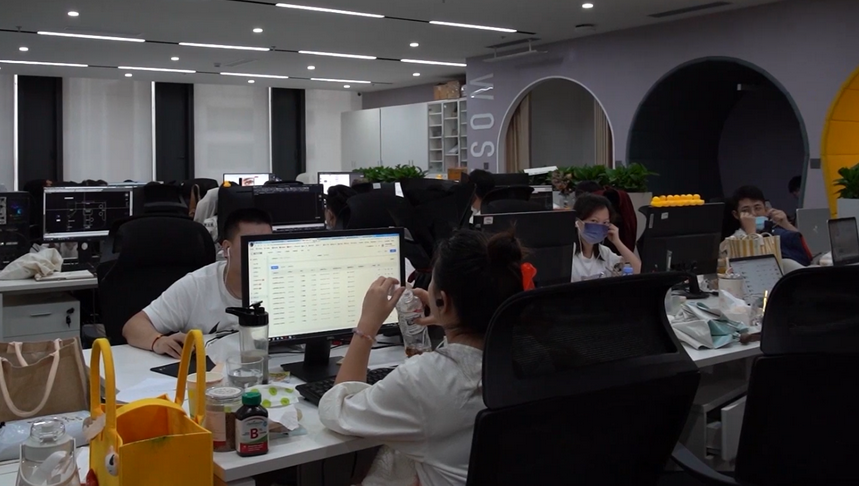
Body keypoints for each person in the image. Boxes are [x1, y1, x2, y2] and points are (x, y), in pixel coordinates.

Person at [319, 230, 529, 486]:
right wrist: (448, 319)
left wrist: (367, 325)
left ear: (443, 300)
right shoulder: (532, 356)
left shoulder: (425, 379)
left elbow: (336, 411)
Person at [122, 208, 273, 358]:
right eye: (253, 245)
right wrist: (158, 341)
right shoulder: (198, 285)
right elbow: (133, 326)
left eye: (269, 244)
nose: (263, 253)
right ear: (227, 249)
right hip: (208, 368)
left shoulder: (281, 282)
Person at [728, 185, 810, 267]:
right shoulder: (732, 241)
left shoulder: (776, 232)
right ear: (736, 215)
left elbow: (809, 251)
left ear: (766, 209)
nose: (753, 214)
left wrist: (786, 224)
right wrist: (751, 233)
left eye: (757, 208)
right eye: (745, 210)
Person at [571, 194, 641, 282]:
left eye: (605, 222)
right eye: (594, 221)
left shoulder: (604, 253)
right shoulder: (566, 254)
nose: (599, 226)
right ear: (577, 222)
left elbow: (638, 271)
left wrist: (617, 242)